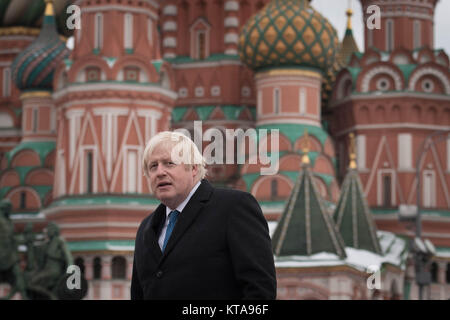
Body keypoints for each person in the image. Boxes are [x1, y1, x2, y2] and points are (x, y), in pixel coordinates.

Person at [131, 131, 276, 299]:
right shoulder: (146, 229)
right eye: (153, 166)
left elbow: (260, 290)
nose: (160, 172)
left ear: (193, 168)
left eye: (169, 163)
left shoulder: (232, 208)